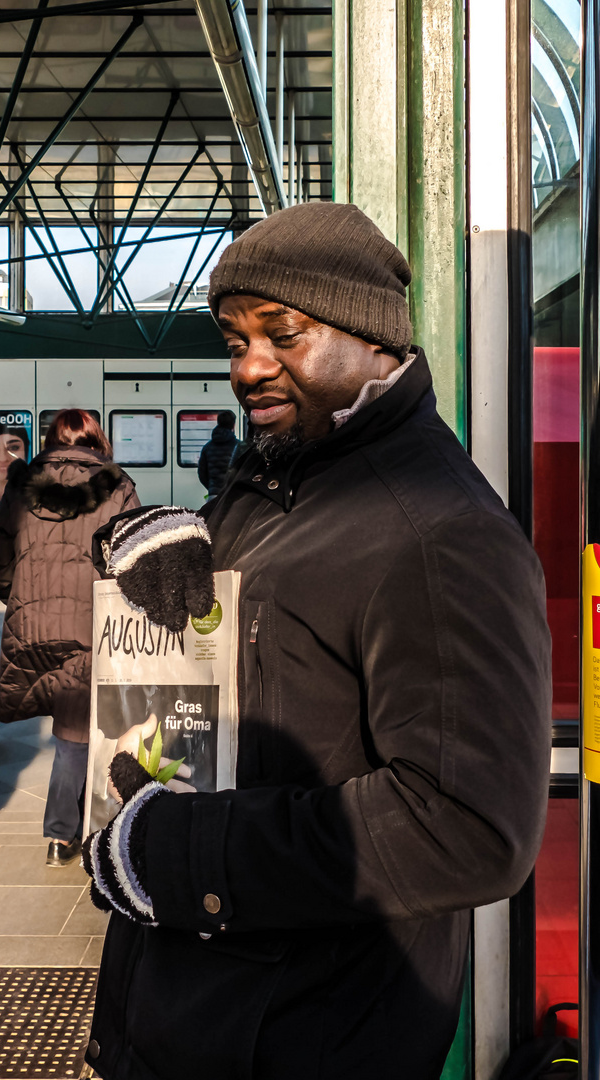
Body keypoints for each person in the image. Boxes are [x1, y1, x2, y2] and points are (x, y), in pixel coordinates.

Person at [80, 203, 551, 1080]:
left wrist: (170, 852)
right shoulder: (277, 477)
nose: (250, 366)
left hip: (301, 1038)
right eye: (232, 341)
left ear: (374, 339)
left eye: (283, 334)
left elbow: (467, 825)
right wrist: (142, 537)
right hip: (198, 1013)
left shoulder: (439, 533)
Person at [0, 410, 140, 867]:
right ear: (96, 438)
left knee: (71, 727)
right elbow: (129, 553)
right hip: (91, 621)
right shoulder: (116, 482)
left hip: (33, 621)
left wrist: (22, 598)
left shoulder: (23, 480)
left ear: (51, 439)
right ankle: (78, 831)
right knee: (81, 728)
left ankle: (60, 835)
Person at [195, 410, 239, 498]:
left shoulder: (207, 447)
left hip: (213, 495)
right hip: (233, 495)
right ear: (233, 425)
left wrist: (212, 487)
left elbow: (202, 473)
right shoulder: (238, 446)